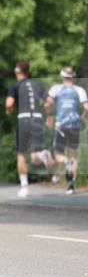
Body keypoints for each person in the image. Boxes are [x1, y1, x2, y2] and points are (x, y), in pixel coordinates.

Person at [5, 61, 48, 198]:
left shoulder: (15, 85)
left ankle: (24, 188)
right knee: (35, 154)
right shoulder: (37, 84)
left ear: (16, 71)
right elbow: (49, 101)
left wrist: (8, 109)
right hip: (37, 118)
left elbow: (9, 103)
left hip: (23, 119)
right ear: (28, 72)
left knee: (21, 154)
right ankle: (42, 155)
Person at [45, 66, 88, 195]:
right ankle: (71, 186)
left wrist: (49, 116)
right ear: (73, 76)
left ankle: (65, 162)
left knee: (58, 154)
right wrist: (82, 117)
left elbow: (48, 104)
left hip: (61, 126)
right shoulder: (79, 90)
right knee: (74, 154)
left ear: (62, 76)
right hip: (74, 125)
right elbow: (87, 107)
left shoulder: (56, 89)